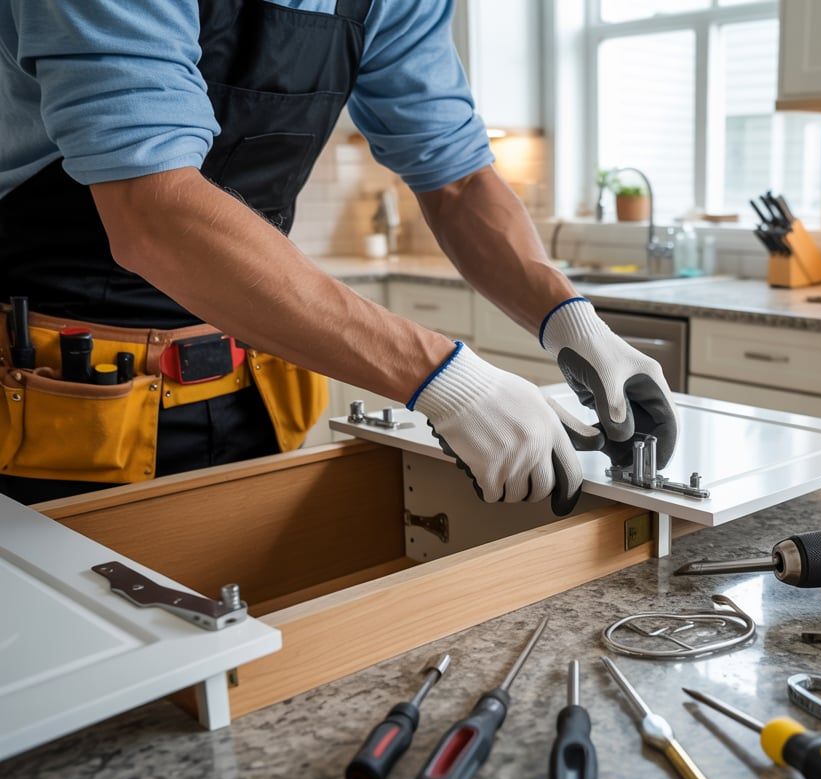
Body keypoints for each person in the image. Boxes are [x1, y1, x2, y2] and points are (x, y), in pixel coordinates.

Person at [0, 0, 677, 512]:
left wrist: (571, 319)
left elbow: (459, 178)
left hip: (248, 390)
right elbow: (154, 209)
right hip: (52, 398)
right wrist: (448, 379)